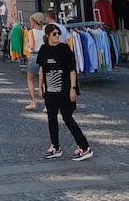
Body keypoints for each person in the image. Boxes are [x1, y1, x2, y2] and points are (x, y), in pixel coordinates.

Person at [37, 23, 93, 161]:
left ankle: (84, 147)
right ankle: (55, 147)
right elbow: (42, 69)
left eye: (58, 34)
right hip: (50, 91)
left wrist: (73, 89)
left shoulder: (65, 49)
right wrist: (40, 87)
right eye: (54, 34)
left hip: (65, 90)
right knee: (51, 119)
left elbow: (72, 70)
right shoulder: (43, 49)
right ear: (48, 36)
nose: (57, 36)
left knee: (68, 118)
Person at [24, 12, 45, 110]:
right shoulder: (45, 31)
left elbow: (31, 46)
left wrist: (27, 42)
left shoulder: (31, 32)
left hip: (35, 56)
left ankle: (33, 102)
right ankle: (47, 105)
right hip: (44, 56)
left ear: (34, 21)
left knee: (30, 79)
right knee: (45, 80)